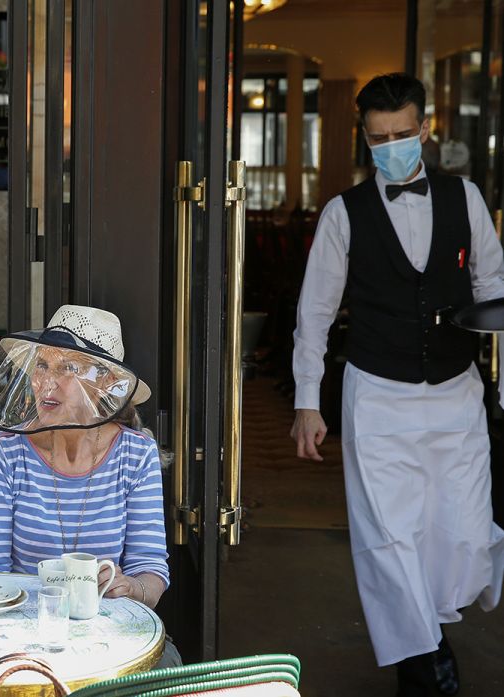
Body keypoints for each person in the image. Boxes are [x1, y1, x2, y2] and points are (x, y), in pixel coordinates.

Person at [290, 73, 504, 697]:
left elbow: (494, 289)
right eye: (379, 138)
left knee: (461, 529)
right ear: (365, 138)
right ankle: (425, 657)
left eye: (403, 134)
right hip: (378, 394)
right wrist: (308, 402)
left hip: (455, 391)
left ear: (426, 129)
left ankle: (429, 631)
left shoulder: (464, 198)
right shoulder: (342, 213)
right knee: (390, 534)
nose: (392, 145)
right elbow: (314, 315)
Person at [0, 305, 180, 666]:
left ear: (104, 383)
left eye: (67, 368)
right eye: (41, 364)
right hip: (21, 636)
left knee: (164, 669)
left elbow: (151, 571)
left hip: (111, 639)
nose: (45, 382)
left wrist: (132, 587)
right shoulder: (1, 453)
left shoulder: (136, 454)